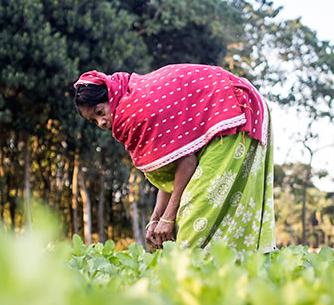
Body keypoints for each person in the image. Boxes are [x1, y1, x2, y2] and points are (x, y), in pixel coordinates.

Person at [74, 63, 275, 253]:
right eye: (94, 120)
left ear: (111, 96)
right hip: (231, 111)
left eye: (100, 112)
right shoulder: (132, 102)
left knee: (193, 213)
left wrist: (168, 218)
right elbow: (171, 161)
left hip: (235, 111)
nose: (101, 122)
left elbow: (186, 163)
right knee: (201, 213)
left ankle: (196, 280)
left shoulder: (137, 112)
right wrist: (156, 218)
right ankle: (223, 278)